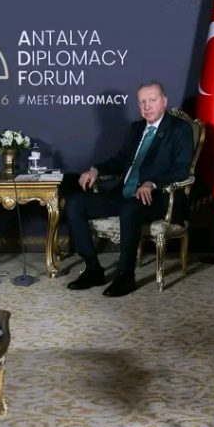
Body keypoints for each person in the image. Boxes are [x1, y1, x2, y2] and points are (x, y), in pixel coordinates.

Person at [65, 81, 194, 297]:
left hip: (157, 198)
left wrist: (152, 183)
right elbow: (120, 159)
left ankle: (125, 276)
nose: (147, 106)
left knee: (129, 208)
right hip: (123, 193)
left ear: (164, 101)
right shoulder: (136, 128)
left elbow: (181, 170)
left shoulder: (180, 129)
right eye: (142, 102)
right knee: (75, 202)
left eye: (152, 100)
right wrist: (96, 170)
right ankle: (93, 270)